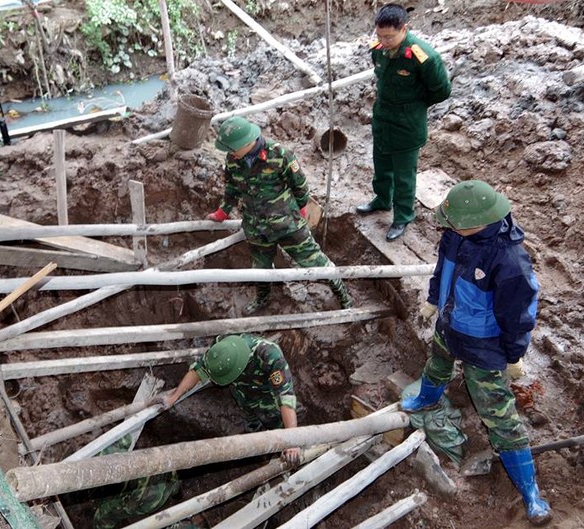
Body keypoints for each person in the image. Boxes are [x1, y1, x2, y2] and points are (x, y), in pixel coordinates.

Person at [402, 180, 551, 526]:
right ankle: (426, 397)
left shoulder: (509, 261)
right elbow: (443, 270)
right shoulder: (456, 234)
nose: (447, 227)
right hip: (449, 324)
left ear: (479, 220)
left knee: (499, 416)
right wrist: (432, 299)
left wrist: (513, 355)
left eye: (454, 223)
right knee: (437, 361)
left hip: (484, 346)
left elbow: (519, 315)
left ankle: (530, 491)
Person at [206, 116, 352, 314]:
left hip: (287, 225)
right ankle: (263, 298)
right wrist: (223, 211)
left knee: (315, 261)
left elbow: (299, 184)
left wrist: (300, 210)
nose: (231, 153)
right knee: (261, 268)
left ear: (248, 143)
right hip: (256, 227)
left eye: (232, 148)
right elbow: (232, 187)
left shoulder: (280, 154)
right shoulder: (233, 160)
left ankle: (343, 295)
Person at [356, 3, 451, 242]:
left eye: (389, 37)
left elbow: (441, 91)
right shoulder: (378, 49)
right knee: (381, 165)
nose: (384, 41)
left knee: (404, 176)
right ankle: (381, 200)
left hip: (407, 125)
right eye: (380, 36)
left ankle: (403, 216)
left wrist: (413, 106)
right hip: (383, 119)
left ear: (404, 29)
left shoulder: (422, 56)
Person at [160, 333, 302, 466]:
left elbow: (286, 400)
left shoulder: (270, 355)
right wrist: (174, 396)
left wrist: (292, 441)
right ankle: (256, 433)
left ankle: (278, 440)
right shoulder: (222, 347)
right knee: (250, 416)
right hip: (243, 395)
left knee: (275, 420)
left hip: (267, 396)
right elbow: (198, 371)